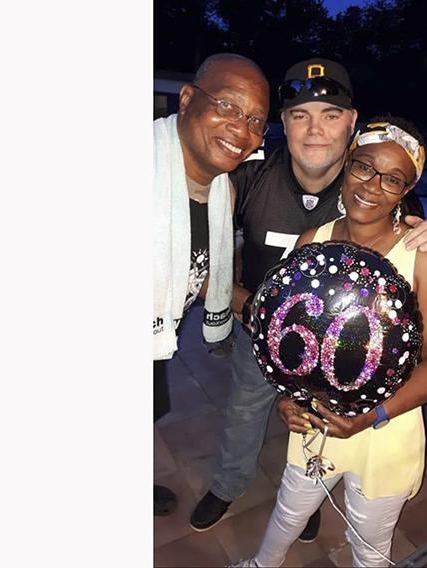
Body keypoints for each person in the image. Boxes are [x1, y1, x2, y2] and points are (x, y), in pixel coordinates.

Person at [189, 57, 427, 539]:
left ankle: (312, 494)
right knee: (245, 412)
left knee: (320, 433)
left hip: (350, 359)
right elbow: (201, 258)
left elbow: (418, 256)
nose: (315, 130)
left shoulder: (373, 185)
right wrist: (253, 310)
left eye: (330, 115)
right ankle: (229, 486)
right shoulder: (247, 178)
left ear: (351, 125)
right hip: (259, 329)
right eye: (299, 115)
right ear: (283, 124)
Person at [233, 117, 427, 568]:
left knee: (369, 546)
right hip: (316, 420)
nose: (372, 186)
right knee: (289, 507)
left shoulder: (423, 256)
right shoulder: (312, 240)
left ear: (405, 191)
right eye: (364, 167)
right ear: (346, 166)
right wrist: (287, 396)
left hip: (386, 427)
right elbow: (285, 333)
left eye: (392, 179)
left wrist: (371, 415)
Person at [153, 53, 270, 515]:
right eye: (226, 105)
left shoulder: (220, 190)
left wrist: (253, 308)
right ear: (186, 100)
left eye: (256, 119)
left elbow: (195, 268)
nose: (241, 130)